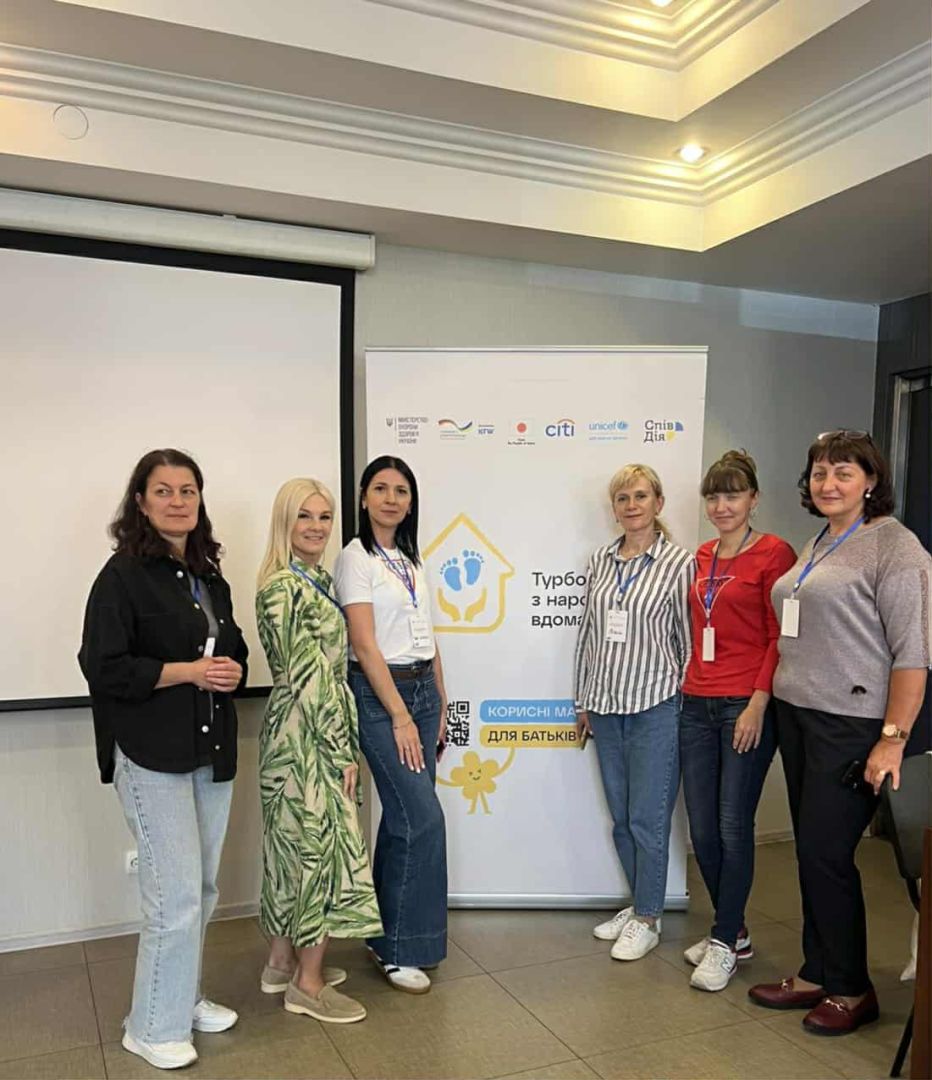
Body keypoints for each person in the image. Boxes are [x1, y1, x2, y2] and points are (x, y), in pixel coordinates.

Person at [749, 430, 931, 1035]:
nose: (828, 484)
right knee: (811, 850)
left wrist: (892, 738)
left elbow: (913, 655)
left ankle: (852, 988)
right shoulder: (823, 539)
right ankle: (817, 970)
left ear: (871, 481)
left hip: (851, 724)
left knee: (826, 853)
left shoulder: (896, 548)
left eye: (843, 473)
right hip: (798, 715)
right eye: (820, 473)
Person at [78, 449, 248, 1071]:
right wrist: (188, 672)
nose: (178, 501)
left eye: (188, 491)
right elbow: (102, 666)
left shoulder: (208, 576)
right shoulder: (121, 576)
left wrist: (231, 671)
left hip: (209, 747)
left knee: (200, 889)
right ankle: (150, 1025)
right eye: (164, 491)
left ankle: (181, 996)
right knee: (173, 895)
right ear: (141, 502)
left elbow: (234, 648)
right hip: (151, 755)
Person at [254, 478, 383, 1024]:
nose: (316, 527)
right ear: (285, 522)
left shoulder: (316, 580)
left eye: (324, 517)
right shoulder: (283, 588)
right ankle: (307, 986)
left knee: (291, 849)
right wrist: (340, 751)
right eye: (304, 516)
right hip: (306, 739)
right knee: (316, 854)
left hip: (299, 732)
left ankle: (281, 963)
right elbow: (310, 680)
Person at [679, 450, 796, 992]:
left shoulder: (774, 553)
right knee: (702, 828)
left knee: (731, 825)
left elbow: (779, 635)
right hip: (695, 701)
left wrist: (757, 703)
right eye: (714, 497)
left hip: (744, 705)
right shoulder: (702, 556)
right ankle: (736, 931)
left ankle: (724, 939)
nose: (721, 506)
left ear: (754, 499)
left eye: (732, 495)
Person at [334, 456, 448, 993]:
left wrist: (440, 700)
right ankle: (399, 947)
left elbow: (428, 634)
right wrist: (400, 715)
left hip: (422, 690)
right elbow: (363, 643)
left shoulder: (410, 558)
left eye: (401, 490)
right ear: (363, 497)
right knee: (421, 818)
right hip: (381, 697)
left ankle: (384, 934)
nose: (391, 499)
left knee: (403, 817)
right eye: (380, 488)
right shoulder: (354, 558)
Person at [574, 464, 695, 961]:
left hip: (655, 705)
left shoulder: (680, 564)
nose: (631, 505)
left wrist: (682, 705)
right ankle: (639, 904)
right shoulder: (600, 561)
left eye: (641, 496)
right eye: (622, 498)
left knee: (648, 819)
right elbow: (588, 634)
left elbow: (687, 643)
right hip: (605, 706)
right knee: (622, 819)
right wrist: (582, 699)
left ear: (658, 503)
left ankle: (648, 917)